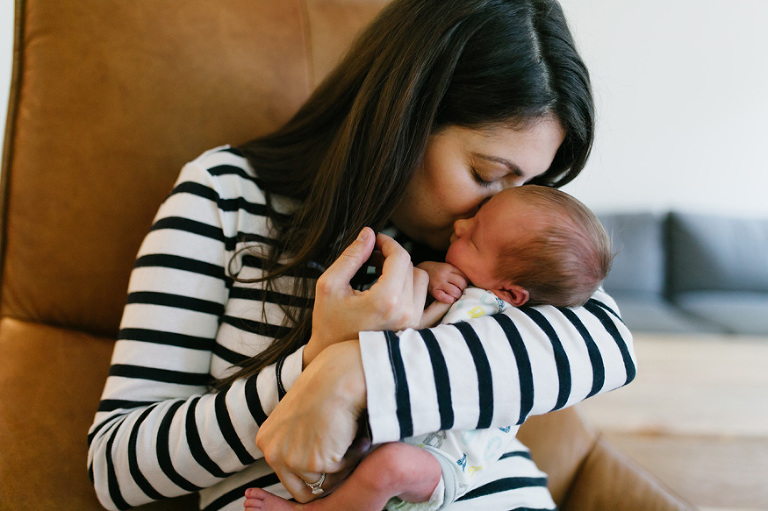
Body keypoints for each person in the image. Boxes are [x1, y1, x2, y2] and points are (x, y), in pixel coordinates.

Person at [87, 1, 636, 510]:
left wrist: (355, 373)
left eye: (527, 186)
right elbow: (117, 469)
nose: (494, 210)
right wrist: (311, 363)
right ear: (406, 118)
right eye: (486, 175)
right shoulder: (227, 196)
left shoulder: (487, 251)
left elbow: (608, 345)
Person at [241, 185, 612, 511]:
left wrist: (349, 367)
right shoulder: (475, 282)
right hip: (393, 432)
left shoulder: (514, 319)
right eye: (477, 214)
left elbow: (610, 344)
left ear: (511, 293)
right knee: (365, 455)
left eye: (475, 239)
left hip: (447, 462)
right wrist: (430, 272)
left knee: (391, 466)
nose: (461, 226)